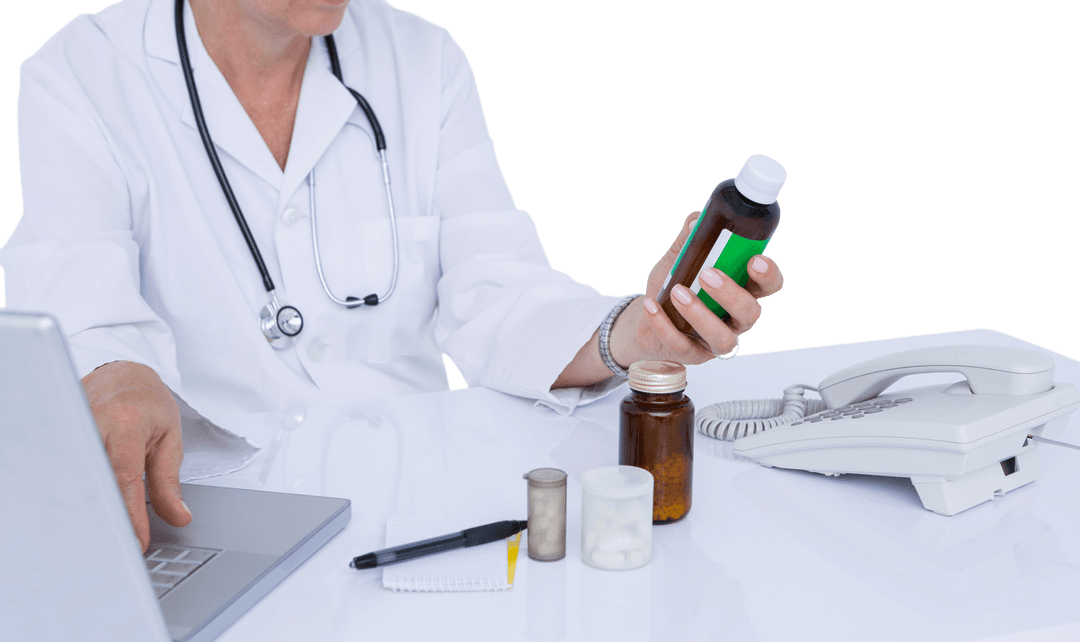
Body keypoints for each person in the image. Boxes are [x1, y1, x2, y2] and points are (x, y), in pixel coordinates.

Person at [0, 0, 784, 550]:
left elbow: (499, 292)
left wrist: (633, 333)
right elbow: (77, 290)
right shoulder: (81, 74)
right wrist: (114, 373)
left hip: (414, 522)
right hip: (207, 518)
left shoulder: (422, 58)